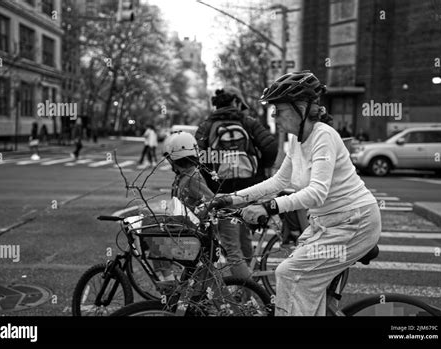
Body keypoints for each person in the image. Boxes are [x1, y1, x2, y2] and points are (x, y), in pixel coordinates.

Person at [210, 71, 381, 316]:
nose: (273, 116)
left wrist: (268, 207)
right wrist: (232, 198)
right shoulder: (297, 141)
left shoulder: (324, 136)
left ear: (300, 108)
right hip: (327, 224)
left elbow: (317, 193)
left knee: (289, 273)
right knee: (304, 287)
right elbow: (279, 181)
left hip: (355, 222)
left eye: (278, 110)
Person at [195, 86, 278, 280]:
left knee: (231, 246)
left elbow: (197, 158)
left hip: (221, 191)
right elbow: (271, 146)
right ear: (235, 102)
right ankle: (251, 290)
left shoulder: (207, 126)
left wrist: (209, 181)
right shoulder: (247, 122)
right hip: (248, 188)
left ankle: (248, 293)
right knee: (243, 235)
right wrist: (261, 170)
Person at [154, 131, 214, 281]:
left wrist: (196, 214)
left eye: (168, 158)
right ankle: (170, 285)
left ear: (175, 158)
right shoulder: (183, 176)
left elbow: (210, 201)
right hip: (184, 231)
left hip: (192, 236)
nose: (168, 162)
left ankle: (169, 286)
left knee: (157, 244)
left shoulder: (192, 178)